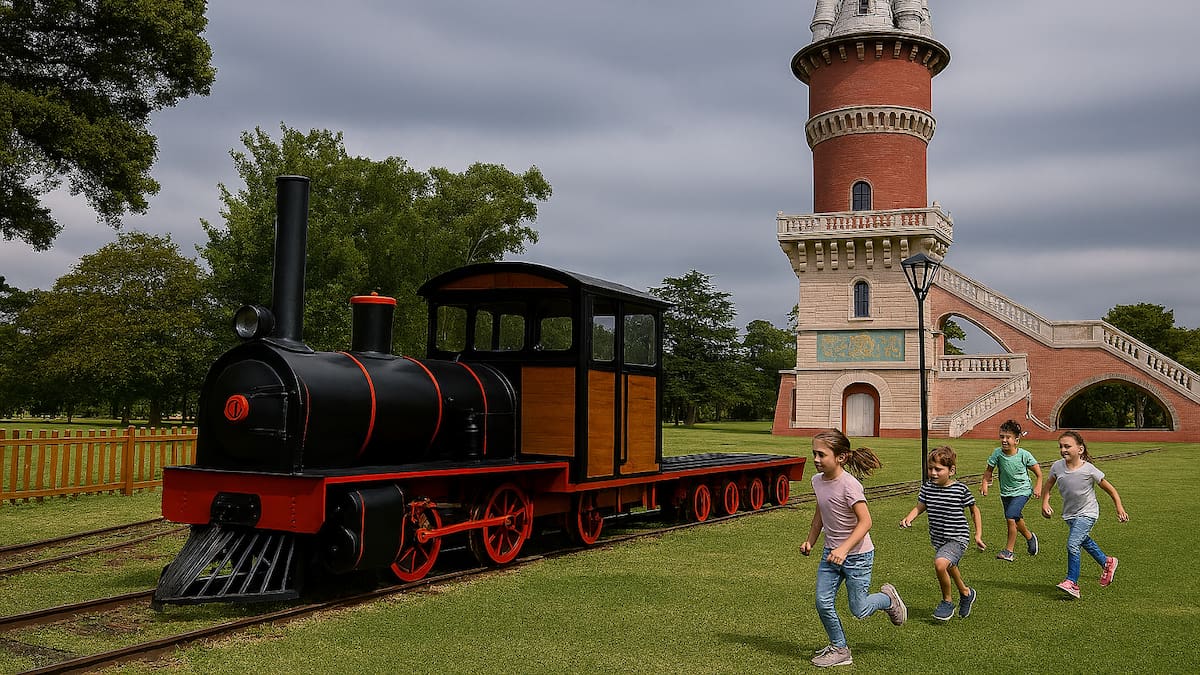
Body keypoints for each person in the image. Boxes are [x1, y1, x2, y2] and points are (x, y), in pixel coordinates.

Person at [801, 429, 906, 668]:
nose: (816, 459)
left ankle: (887, 599)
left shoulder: (850, 485)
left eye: (821, 454)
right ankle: (840, 648)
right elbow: (820, 514)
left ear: (841, 457)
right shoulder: (817, 481)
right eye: (814, 453)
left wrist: (845, 549)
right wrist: (810, 541)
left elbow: (866, 522)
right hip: (830, 554)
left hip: (857, 556)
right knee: (822, 601)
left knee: (859, 609)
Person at [900, 445, 986, 620]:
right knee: (950, 566)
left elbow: (974, 510)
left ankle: (947, 602)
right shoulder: (927, 488)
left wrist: (978, 534)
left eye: (938, 469)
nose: (933, 473)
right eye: (930, 469)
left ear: (951, 470)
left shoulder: (960, 490)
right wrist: (909, 518)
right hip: (939, 538)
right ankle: (966, 593)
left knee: (940, 564)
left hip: (958, 537)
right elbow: (921, 506)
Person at [1040, 430, 1129, 598]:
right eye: (1061, 446)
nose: (1063, 450)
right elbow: (1048, 486)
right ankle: (1107, 562)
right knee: (1083, 541)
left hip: (1088, 513)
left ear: (1080, 449)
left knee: (1073, 543)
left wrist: (1119, 508)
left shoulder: (1089, 470)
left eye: (1067, 446)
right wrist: (1045, 503)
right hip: (1069, 514)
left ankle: (1072, 582)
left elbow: (1110, 490)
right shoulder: (1057, 467)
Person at [980, 419, 1042, 562]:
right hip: (1006, 493)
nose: (1004, 440)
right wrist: (984, 483)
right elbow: (989, 471)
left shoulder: (1024, 455)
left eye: (1008, 437)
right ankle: (1030, 537)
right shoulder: (997, 454)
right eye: (1002, 437)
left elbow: (1038, 472)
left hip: (1023, 491)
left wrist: (1038, 486)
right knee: (1015, 517)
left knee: (1010, 517)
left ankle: (1009, 551)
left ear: (1016, 440)